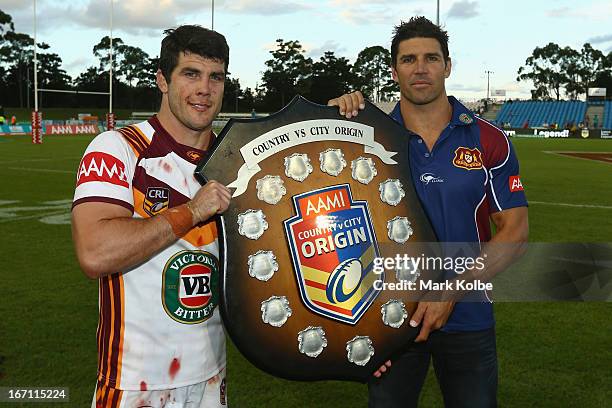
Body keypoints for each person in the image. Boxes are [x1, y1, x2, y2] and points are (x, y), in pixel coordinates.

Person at [329, 17, 528, 408]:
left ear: (447, 66)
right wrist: (331, 115)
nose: (420, 68)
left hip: (469, 314)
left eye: (431, 58)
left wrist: (450, 290)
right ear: (394, 70)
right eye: (408, 60)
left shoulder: (489, 139)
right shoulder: (367, 138)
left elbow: (515, 233)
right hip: (389, 317)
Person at [72, 25, 232, 408]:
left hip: (212, 375)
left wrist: (341, 114)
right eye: (190, 74)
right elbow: (95, 253)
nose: (204, 89)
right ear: (162, 79)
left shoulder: (232, 158)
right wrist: (192, 211)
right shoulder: (118, 148)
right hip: (133, 382)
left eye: (216, 77)